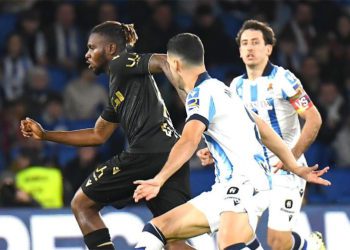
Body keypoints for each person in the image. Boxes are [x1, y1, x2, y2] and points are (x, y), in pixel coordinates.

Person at [132, 33, 330, 250]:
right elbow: (263, 129)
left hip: (245, 183)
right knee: (156, 231)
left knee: (235, 243)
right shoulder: (226, 88)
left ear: (175, 64)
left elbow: (189, 140)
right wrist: (295, 166)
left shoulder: (202, 94)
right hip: (229, 186)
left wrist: (159, 179)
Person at [20, 21, 193, 250]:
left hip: (145, 152)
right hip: (172, 155)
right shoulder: (118, 86)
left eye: (92, 48)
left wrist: (192, 105)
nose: (86, 54)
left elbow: (163, 60)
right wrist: (45, 135)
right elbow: (97, 135)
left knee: (82, 204)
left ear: (110, 49)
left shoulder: (121, 62)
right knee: (174, 241)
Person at [197, 20, 325, 250]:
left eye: (256, 42)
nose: (249, 48)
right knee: (237, 235)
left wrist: (291, 158)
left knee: (277, 242)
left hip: (285, 170)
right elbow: (235, 129)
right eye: (245, 43)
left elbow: (314, 119)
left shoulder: (284, 80)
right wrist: (215, 151)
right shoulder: (235, 86)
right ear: (239, 51)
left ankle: (312, 246)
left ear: (268, 48)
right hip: (253, 172)